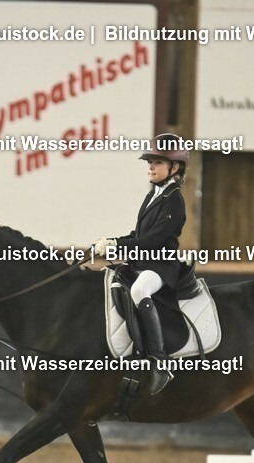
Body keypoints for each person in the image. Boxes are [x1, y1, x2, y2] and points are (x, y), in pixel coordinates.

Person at [93, 133, 188, 395]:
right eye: (150, 162)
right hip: (142, 262)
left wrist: (118, 248)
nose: (150, 166)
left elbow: (154, 239)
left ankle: (159, 362)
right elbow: (138, 236)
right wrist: (109, 241)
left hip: (161, 266)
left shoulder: (174, 200)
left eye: (157, 162)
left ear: (174, 168)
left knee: (138, 291)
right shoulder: (152, 197)